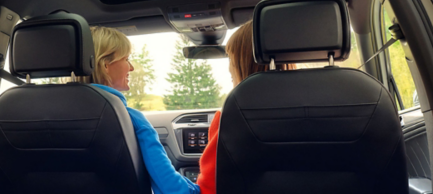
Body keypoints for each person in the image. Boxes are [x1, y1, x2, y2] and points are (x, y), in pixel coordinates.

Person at [87, 26, 201, 194]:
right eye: (126, 59)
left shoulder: (43, 113)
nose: (131, 67)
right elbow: (172, 189)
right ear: (105, 65)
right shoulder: (130, 119)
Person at [195, 20, 295, 194]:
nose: (229, 69)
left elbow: (210, 187)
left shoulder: (232, 118)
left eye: (232, 61)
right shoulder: (334, 106)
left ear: (244, 66)